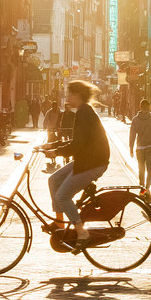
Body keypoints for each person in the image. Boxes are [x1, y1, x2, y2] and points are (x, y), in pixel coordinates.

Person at [41, 80, 110, 246]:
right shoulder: (83, 111)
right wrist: (53, 145)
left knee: (62, 196)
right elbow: (78, 140)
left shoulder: (84, 113)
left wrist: (56, 152)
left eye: (69, 94)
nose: (66, 97)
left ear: (77, 95)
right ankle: (59, 224)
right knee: (53, 180)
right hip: (86, 159)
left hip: (94, 162)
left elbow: (78, 145)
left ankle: (81, 232)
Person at [129, 99, 151, 189]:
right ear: (149, 107)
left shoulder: (135, 119)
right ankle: (147, 188)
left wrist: (131, 149)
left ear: (140, 106)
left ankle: (142, 186)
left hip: (140, 147)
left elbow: (132, 135)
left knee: (141, 169)